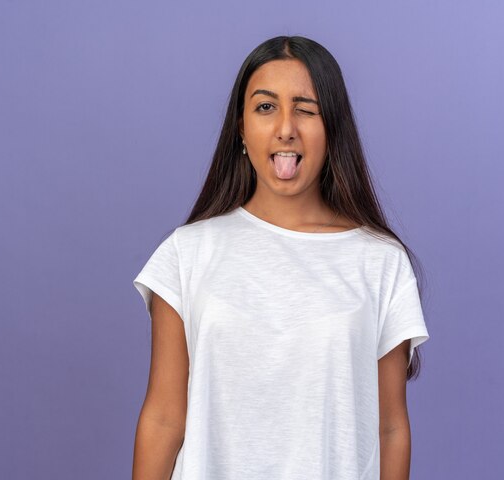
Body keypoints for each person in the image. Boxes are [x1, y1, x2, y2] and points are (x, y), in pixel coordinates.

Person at [132, 35, 430, 480]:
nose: (285, 127)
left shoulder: (381, 263)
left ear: (333, 127)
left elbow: (390, 428)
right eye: (266, 107)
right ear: (241, 127)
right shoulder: (187, 253)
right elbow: (163, 419)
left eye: (306, 109)